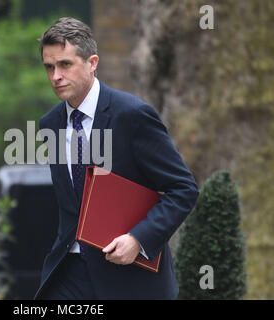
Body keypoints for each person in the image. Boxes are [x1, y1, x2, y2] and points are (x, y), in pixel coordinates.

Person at [34, 17, 199, 300]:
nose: (55, 76)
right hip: (67, 276)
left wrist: (138, 239)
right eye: (49, 67)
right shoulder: (50, 124)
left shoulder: (133, 116)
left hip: (128, 278)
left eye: (65, 65)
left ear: (92, 62)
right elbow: (69, 205)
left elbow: (183, 189)